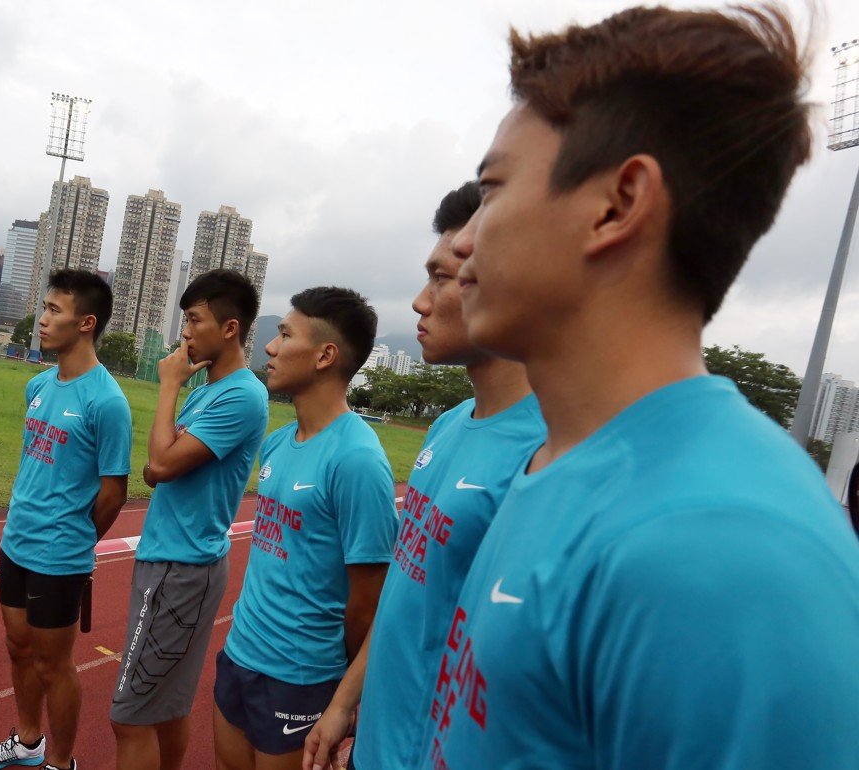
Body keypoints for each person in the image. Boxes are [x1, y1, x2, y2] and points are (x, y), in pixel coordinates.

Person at [422, 7, 859, 768]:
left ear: (618, 204)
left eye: (492, 189)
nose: (462, 239)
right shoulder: (563, 461)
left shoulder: (723, 551)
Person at [302, 183, 544, 770]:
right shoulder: (449, 425)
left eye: (440, 277)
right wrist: (346, 701)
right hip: (376, 744)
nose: (418, 301)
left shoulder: (546, 453)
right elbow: (407, 593)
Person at [213, 287, 398, 770]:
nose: (270, 348)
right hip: (240, 654)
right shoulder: (276, 444)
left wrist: (345, 693)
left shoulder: (357, 459)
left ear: (325, 355)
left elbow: (368, 601)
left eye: (284, 334)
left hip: (301, 676)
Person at [0, 269, 132, 770]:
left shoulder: (107, 401)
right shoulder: (38, 385)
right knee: (18, 648)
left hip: (59, 554)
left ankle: (61, 762)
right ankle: (27, 742)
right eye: (44, 308)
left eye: (54, 311)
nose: (41, 320)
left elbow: (114, 493)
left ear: (86, 322)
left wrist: (77, 540)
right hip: (15, 542)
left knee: (54, 664)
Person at [111, 269, 269, 770]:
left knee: (130, 714)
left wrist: (168, 386)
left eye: (194, 320)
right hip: (172, 562)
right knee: (164, 707)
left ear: (229, 328)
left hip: (180, 568)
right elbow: (158, 466)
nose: (185, 332)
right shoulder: (210, 390)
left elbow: (158, 467)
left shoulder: (240, 395)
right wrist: (163, 457)